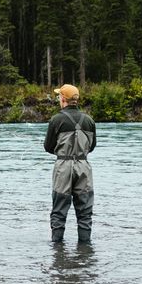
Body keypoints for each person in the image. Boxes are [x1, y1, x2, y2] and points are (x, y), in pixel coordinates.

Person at [43, 82, 96, 244]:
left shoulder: (56, 120)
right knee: (85, 212)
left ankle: (57, 249)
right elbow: (92, 146)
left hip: (63, 167)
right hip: (84, 166)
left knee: (59, 210)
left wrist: (63, 153)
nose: (59, 99)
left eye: (59, 96)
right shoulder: (89, 120)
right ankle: (85, 250)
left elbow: (48, 147)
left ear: (63, 99)